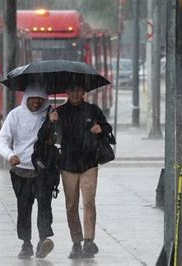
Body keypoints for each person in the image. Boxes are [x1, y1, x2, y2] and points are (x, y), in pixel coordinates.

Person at [43, 84, 112, 259]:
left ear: (84, 92)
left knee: (89, 202)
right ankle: (76, 242)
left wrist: (101, 129)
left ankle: (89, 241)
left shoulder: (93, 110)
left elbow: (107, 128)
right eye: (71, 90)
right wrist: (51, 121)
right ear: (66, 92)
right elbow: (47, 137)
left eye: (78, 90)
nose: (74, 94)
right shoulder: (59, 112)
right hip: (67, 165)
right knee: (71, 205)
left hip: (89, 164)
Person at [0, 84, 55, 259]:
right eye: (33, 98)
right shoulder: (15, 115)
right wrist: (10, 155)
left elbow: (59, 138)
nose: (37, 102)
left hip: (43, 171)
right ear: (26, 98)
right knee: (24, 208)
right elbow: (3, 139)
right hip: (21, 171)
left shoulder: (50, 115)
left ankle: (43, 240)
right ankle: (26, 243)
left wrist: (54, 124)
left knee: (44, 206)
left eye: (40, 99)